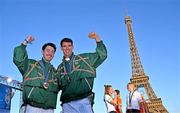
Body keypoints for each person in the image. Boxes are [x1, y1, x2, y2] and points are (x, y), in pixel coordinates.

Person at [57, 32, 107, 113]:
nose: (67, 48)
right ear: (61, 48)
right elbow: (55, 87)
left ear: (73, 47)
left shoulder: (85, 59)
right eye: (64, 46)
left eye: (69, 46)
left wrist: (97, 39)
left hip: (84, 100)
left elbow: (102, 55)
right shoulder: (59, 68)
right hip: (67, 103)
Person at [13, 36, 59, 113]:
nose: (50, 53)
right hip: (32, 108)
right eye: (48, 50)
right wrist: (25, 42)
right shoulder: (30, 65)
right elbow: (19, 59)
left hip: (49, 109)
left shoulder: (55, 72)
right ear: (42, 51)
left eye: (52, 51)